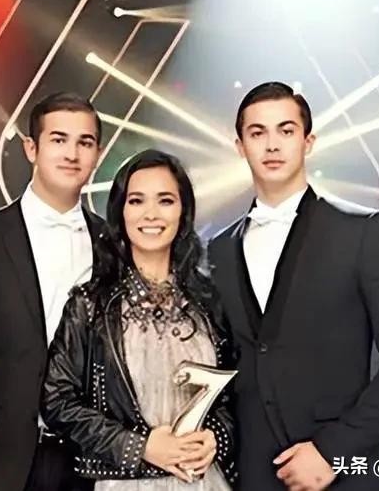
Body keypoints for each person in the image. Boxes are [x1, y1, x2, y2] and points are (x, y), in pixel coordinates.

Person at [208, 81, 379, 490]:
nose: (272, 145)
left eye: (286, 130)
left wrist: (335, 450)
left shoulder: (362, 231)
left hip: (343, 472)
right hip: (252, 472)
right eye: (257, 133)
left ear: (308, 141)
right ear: (240, 146)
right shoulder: (220, 249)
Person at [41, 149, 236, 490]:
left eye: (165, 200)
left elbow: (237, 397)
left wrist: (215, 438)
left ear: (183, 211)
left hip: (204, 482)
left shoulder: (210, 301)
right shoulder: (90, 305)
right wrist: (141, 446)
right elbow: (57, 402)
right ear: (121, 212)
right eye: (136, 201)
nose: (151, 214)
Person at [0, 92, 103, 491]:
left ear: (98, 153)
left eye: (85, 142)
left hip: (90, 458)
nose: (72, 153)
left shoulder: (115, 245)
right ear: (31, 148)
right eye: (59, 139)